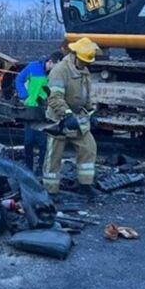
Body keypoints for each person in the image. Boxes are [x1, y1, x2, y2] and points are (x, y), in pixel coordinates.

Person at [43, 38, 101, 197]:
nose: (85, 64)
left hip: (78, 119)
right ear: (74, 55)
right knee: (54, 157)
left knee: (89, 148)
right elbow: (55, 98)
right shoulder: (60, 70)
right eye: (83, 61)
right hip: (59, 120)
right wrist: (67, 115)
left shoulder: (84, 71)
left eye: (87, 62)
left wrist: (91, 112)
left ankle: (85, 185)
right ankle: (50, 190)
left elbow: (86, 96)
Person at [15, 51, 64, 173]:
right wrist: (24, 96)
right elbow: (19, 79)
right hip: (30, 110)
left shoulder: (55, 74)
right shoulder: (33, 67)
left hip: (44, 111)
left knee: (43, 143)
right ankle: (28, 168)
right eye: (55, 66)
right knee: (29, 141)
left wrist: (45, 98)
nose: (56, 70)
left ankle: (41, 168)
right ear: (50, 62)